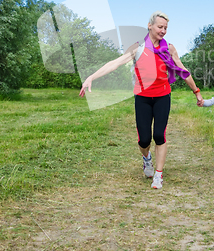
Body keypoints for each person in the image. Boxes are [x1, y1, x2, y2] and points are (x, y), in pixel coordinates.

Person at [79, 11, 203, 189]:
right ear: (150, 26)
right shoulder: (138, 47)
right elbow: (115, 63)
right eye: (160, 27)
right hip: (143, 98)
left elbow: (182, 70)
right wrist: (92, 77)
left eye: (166, 28)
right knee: (144, 140)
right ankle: (147, 159)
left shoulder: (169, 48)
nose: (163, 31)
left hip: (162, 96)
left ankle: (158, 176)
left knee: (159, 135)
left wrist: (196, 91)